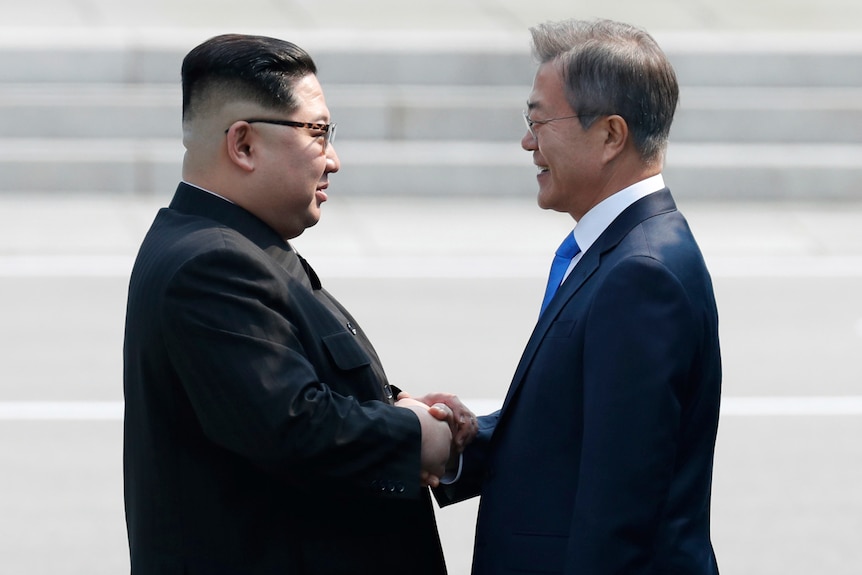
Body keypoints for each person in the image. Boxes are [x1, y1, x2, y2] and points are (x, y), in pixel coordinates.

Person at [122, 33, 475, 575]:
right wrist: (412, 435)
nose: (333, 159)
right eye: (317, 133)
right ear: (243, 145)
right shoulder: (212, 264)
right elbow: (294, 428)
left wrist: (403, 406)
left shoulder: (234, 244)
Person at [427, 18, 722, 574]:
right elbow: (579, 434)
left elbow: (619, 510)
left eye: (539, 120)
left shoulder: (642, 273)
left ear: (611, 135)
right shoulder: (619, 248)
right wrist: (472, 436)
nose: (527, 141)